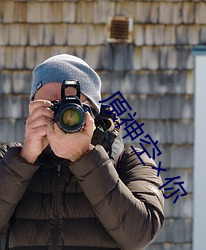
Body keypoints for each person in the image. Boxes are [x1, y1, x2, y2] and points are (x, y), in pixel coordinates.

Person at [0, 54, 164, 250]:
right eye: (49, 106)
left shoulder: (132, 160)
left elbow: (139, 235)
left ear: (93, 111)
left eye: (70, 107)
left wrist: (85, 158)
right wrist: (24, 160)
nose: (59, 116)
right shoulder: (9, 159)